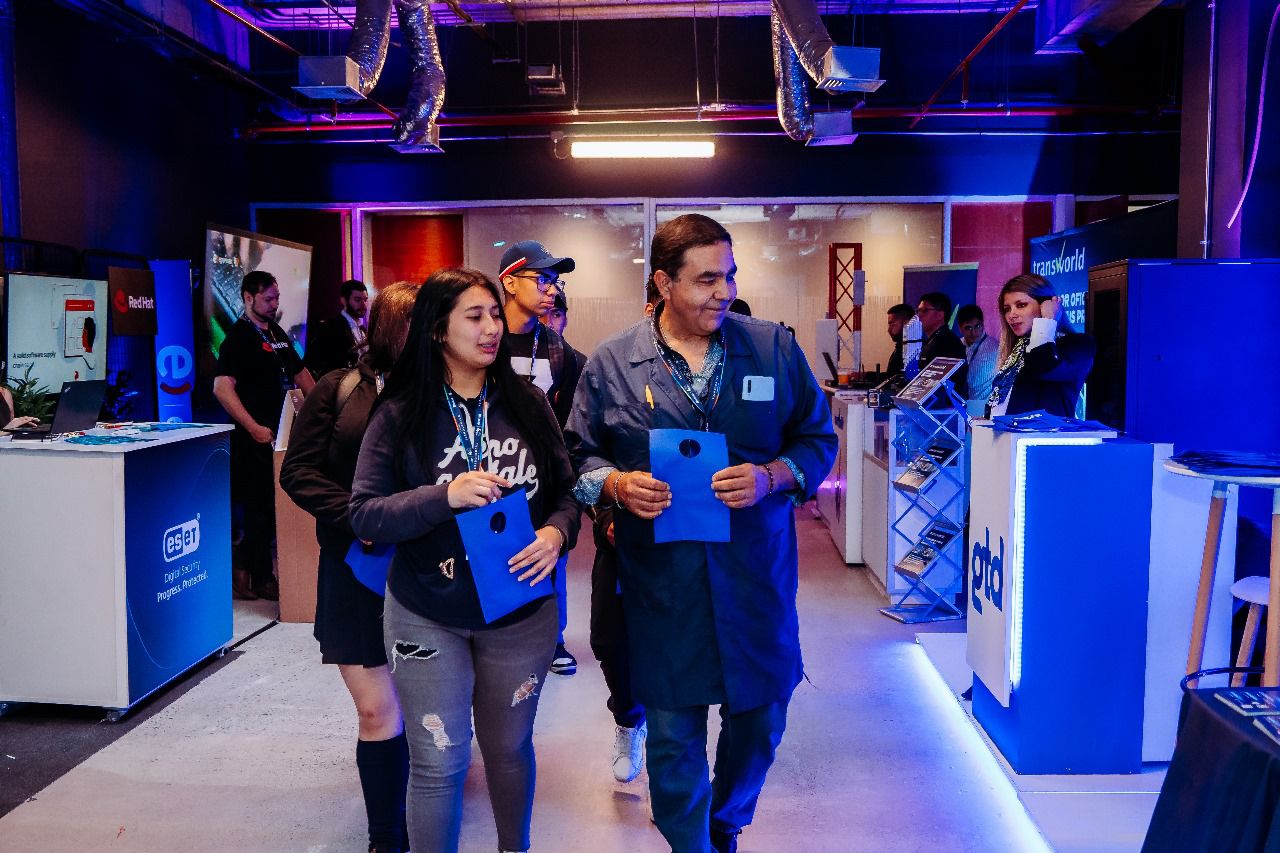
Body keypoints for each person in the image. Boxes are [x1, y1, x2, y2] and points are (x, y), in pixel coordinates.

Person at [565, 214, 837, 853]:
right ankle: (691, 843)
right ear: (663, 282)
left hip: (754, 575)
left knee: (761, 717)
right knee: (671, 731)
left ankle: (725, 822)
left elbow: (817, 439)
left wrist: (772, 476)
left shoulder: (772, 349)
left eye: (730, 276)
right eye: (707, 279)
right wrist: (615, 485)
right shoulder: (614, 363)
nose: (724, 292)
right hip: (663, 579)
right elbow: (577, 456)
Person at [349, 267, 581, 853]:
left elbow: (566, 492)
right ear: (437, 329)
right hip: (427, 611)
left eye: (495, 315)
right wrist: (443, 497)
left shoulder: (527, 402)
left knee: (509, 750)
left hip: (520, 612)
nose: (492, 328)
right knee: (438, 760)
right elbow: (366, 514)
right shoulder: (401, 412)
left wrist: (556, 534)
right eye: (474, 317)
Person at [279, 281, 420, 853]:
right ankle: (387, 838)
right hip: (355, 569)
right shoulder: (338, 389)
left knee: (423, 704)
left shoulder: (451, 394)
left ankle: (426, 803)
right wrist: (361, 517)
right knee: (376, 708)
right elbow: (298, 472)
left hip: (427, 571)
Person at [586, 278, 663, 786]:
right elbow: (585, 454)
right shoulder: (613, 367)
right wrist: (608, 514)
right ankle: (629, 721)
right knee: (610, 640)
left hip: (693, 540)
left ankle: (671, 752)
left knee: (674, 648)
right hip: (623, 540)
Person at [499, 239, 587, 677]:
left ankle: (552, 639)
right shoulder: (483, 342)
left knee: (550, 556)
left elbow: (571, 423)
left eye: (556, 281)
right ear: (510, 282)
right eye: (542, 279)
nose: (552, 289)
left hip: (544, 478)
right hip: (489, 470)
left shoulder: (560, 352)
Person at [213, 270, 315, 601]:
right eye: (268, 299)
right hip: (254, 439)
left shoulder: (276, 332)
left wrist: (320, 408)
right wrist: (252, 426)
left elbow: (301, 374)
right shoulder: (238, 338)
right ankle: (259, 577)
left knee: (272, 506)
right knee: (258, 508)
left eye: (277, 298)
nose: (274, 304)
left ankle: (246, 570)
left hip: (281, 435)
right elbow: (222, 388)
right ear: (248, 297)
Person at [987, 273, 1096, 418]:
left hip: (1043, 432)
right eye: (1007, 309)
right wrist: (985, 418)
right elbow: (1000, 398)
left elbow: (1042, 366)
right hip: (1001, 431)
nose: (1011, 315)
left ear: (1046, 304)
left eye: (1021, 305)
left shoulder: (1079, 344)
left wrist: (1047, 319)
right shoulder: (1019, 346)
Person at [306, 279, 371, 379]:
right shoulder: (330, 328)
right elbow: (313, 362)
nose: (363, 305)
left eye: (365, 300)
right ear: (344, 300)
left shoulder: (363, 328)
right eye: (357, 300)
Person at [915, 291, 968, 398]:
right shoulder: (933, 340)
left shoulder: (948, 342)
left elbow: (943, 385)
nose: (919, 315)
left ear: (940, 315)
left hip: (944, 405)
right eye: (918, 311)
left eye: (924, 310)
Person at [958, 304, 999, 412]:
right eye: (968, 328)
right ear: (960, 328)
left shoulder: (995, 348)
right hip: (961, 403)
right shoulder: (957, 346)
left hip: (983, 405)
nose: (974, 332)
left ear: (983, 324)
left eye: (977, 326)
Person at [885, 303, 914, 376]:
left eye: (892, 324)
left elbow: (897, 378)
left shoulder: (911, 349)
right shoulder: (901, 345)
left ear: (906, 323)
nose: (889, 330)